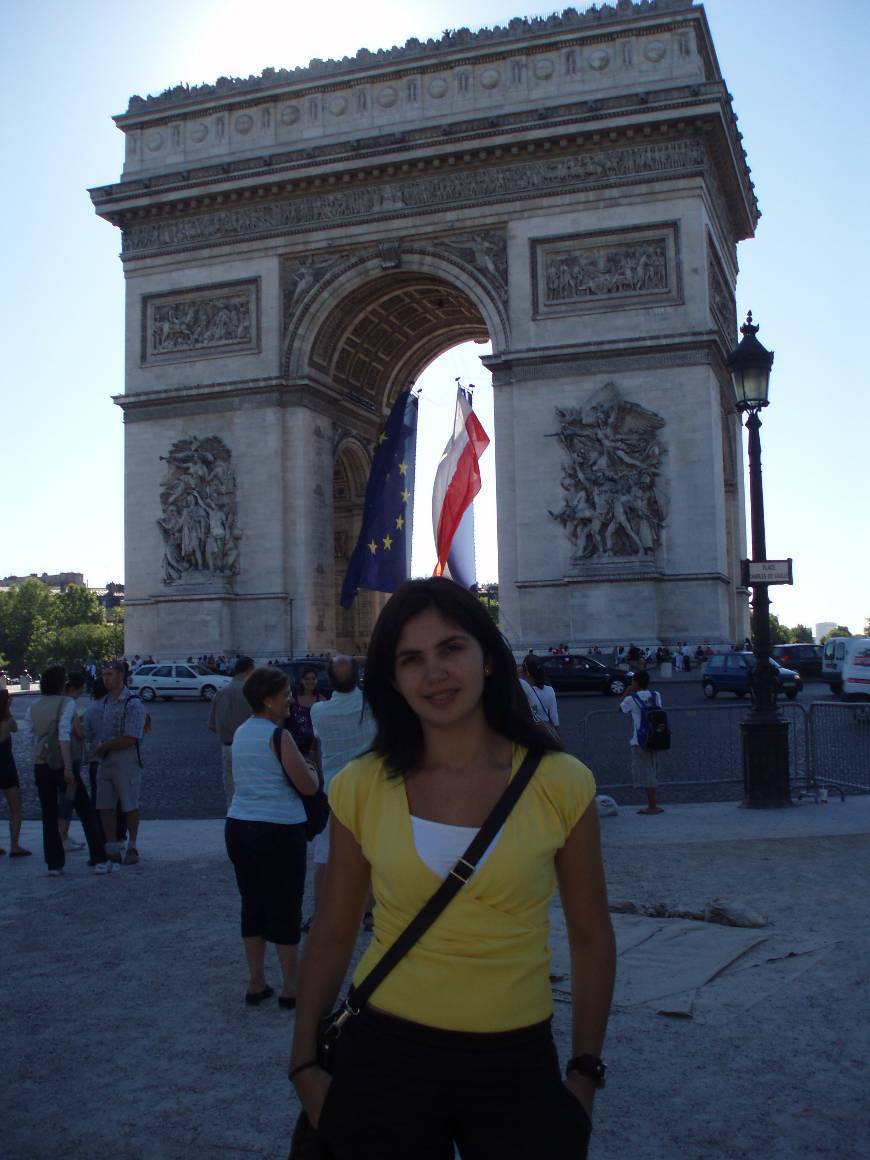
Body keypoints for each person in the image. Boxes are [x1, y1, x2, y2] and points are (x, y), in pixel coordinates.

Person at [290, 577, 615, 1159]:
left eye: (451, 649)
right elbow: (334, 930)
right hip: (384, 1049)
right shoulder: (360, 786)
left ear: (489, 658)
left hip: (516, 1059)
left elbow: (592, 935)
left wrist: (585, 1074)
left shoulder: (562, 783)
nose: (434, 673)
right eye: (411, 659)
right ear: (392, 679)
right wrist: (303, 1064)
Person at [225, 666, 320, 1007]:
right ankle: (290, 988)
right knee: (285, 906)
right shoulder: (280, 736)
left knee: (252, 904)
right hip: (279, 829)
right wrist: (310, 768)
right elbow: (308, 786)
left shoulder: (241, 733)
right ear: (267, 700)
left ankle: (255, 982)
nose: (290, 700)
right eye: (285, 695)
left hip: (239, 826)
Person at [308, 655, 376, 922]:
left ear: (328, 679)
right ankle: (369, 912)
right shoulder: (372, 705)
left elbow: (317, 742)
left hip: (333, 791)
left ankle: (320, 912)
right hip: (369, 788)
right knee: (370, 851)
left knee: (324, 854)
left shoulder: (318, 711)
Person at [31, 665, 109, 875]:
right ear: (60, 683)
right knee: (85, 811)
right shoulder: (67, 703)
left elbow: (34, 736)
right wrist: (68, 768)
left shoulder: (34, 706)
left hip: (40, 765)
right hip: (62, 766)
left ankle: (54, 864)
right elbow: (64, 737)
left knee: (48, 816)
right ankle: (99, 859)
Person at [94, 660, 146, 865]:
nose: (106, 679)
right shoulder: (104, 703)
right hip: (105, 759)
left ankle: (132, 845)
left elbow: (131, 738)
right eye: (104, 674)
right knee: (104, 805)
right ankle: (112, 846)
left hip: (126, 759)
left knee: (129, 804)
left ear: (121, 675)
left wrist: (104, 746)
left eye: (110, 674)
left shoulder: (133, 703)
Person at [208, 655, 255, 805]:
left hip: (228, 747)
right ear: (249, 670)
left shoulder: (220, 693)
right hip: (251, 748)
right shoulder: (254, 694)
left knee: (231, 792)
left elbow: (211, 726)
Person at [620, 669, 664, 815]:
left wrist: (627, 691)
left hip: (639, 740)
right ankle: (653, 804)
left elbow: (621, 709)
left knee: (646, 774)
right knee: (652, 769)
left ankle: (652, 806)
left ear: (635, 682)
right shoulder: (656, 695)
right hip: (656, 737)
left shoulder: (631, 699)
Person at [0, 688, 30, 857]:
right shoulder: (8, 721)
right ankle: (14, 845)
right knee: (16, 809)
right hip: (6, 766)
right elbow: (15, 729)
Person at [285, 665, 327, 757]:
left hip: (313, 747)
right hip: (293, 745)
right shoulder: (293, 698)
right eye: (307, 679)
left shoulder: (321, 700)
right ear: (301, 680)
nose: (310, 681)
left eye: (313, 678)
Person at [519, 653, 560, 739]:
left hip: (527, 731)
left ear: (525, 671)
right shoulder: (550, 690)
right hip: (545, 730)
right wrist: (556, 733)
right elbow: (554, 717)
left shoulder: (522, 689)